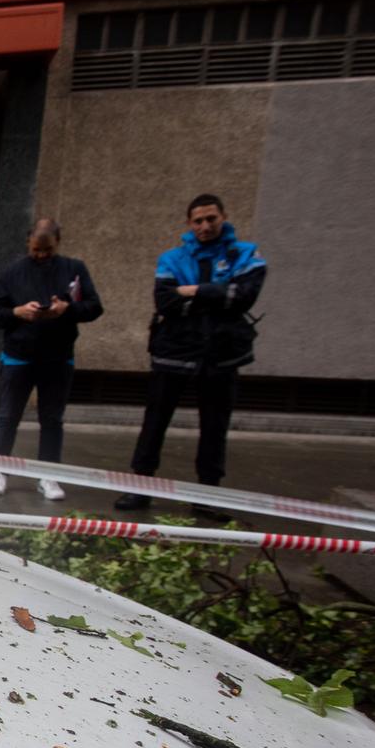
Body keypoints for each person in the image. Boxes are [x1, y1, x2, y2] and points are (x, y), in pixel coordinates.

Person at [114, 193, 266, 515]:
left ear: (223, 217)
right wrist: (217, 295)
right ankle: (139, 488)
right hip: (174, 351)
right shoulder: (172, 258)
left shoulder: (246, 254)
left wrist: (192, 291)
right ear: (189, 223)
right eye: (198, 221)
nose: (205, 226)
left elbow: (243, 297)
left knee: (214, 427)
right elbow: (165, 302)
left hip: (221, 355)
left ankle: (207, 496)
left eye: (211, 219)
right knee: (154, 423)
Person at [0, 217, 102, 501]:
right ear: (28, 242)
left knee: (52, 419)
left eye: (47, 251)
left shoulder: (74, 269)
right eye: (36, 250)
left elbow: (94, 307)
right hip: (18, 357)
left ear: (57, 243)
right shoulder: (12, 272)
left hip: (57, 358)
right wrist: (18, 312)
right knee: (8, 415)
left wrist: (66, 309)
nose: (41, 255)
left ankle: (48, 474)